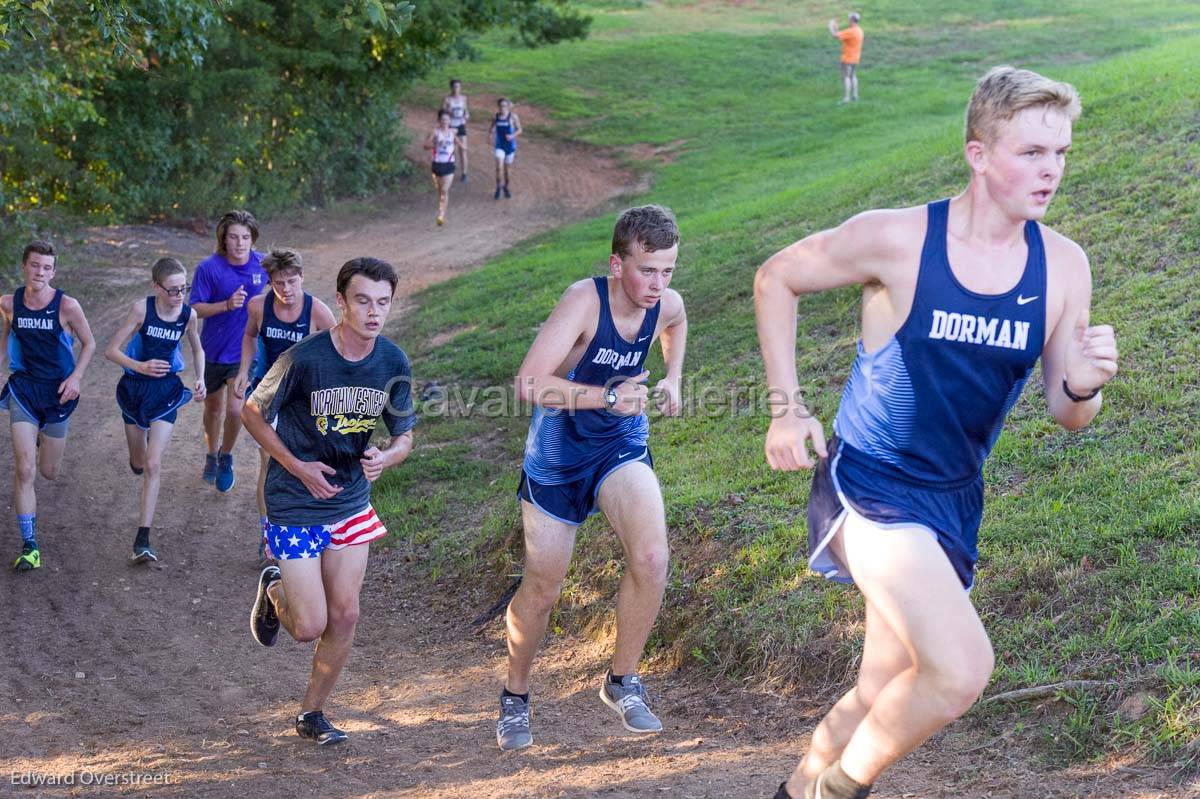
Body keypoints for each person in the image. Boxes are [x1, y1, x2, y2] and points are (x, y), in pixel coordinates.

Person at [754, 66, 1118, 799]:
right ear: (979, 155)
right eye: (1031, 152)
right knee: (959, 667)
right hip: (869, 486)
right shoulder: (898, 238)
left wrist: (1084, 382)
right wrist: (785, 406)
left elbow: (1067, 411)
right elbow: (776, 278)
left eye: (1061, 154)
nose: (1050, 171)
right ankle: (837, 791)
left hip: (952, 499)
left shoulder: (1063, 267)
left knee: (880, 686)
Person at [497, 205, 688, 751]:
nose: (658, 284)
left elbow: (676, 321)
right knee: (543, 586)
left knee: (652, 557)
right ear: (616, 264)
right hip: (557, 454)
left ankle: (623, 680)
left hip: (618, 443)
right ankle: (515, 694)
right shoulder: (585, 301)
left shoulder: (665, 302)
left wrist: (672, 379)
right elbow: (529, 383)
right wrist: (606, 395)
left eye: (668, 270)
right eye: (647, 270)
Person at [245, 257, 415, 746]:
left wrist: (387, 457)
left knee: (345, 615)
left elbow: (405, 435)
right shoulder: (304, 359)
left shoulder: (392, 362)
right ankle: (275, 590)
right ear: (340, 302)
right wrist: (296, 465)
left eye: (382, 302)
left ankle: (312, 713)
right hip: (295, 501)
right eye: (362, 300)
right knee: (309, 626)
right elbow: (252, 413)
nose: (373, 312)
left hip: (350, 502)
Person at [234, 248, 335, 568]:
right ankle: (269, 536)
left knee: (307, 461)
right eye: (279, 283)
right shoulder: (258, 307)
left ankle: (309, 528)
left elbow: (338, 350)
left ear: (302, 277)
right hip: (268, 394)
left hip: (305, 400)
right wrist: (242, 371)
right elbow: (249, 337)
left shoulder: (318, 312)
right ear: (269, 282)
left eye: (292, 281)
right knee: (271, 462)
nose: (286, 289)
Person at [0, 240, 96, 572]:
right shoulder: (8, 304)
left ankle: (42, 436)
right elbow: (4, 342)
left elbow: (89, 342)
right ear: (24, 266)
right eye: (34, 265)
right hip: (23, 389)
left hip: (58, 393)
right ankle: (30, 545)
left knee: (48, 472)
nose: (40, 272)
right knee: (24, 469)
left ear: (53, 272)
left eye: (46, 267)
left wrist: (77, 378)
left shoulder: (67, 306)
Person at [105, 257, 206, 563]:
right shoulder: (142, 309)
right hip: (135, 388)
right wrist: (140, 366)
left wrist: (200, 377)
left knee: (153, 463)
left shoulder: (188, 314)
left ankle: (142, 539)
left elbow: (197, 347)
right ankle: (135, 458)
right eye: (173, 290)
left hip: (166, 390)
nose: (179, 295)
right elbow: (111, 351)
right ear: (157, 287)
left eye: (184, 289)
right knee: (138, 460)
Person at [189, 209, 268, 492]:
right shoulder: (209, 268)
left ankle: (226, 456)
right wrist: (226, 305)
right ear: (224, 238)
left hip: (244, 353)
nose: (240, 243)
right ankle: (210, 454)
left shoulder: (263, 265)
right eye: (233, 237)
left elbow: (285, 287)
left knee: (236, 410)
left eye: (245, 237)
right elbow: (195, 309)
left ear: (253, 239)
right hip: (212, 352)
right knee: (213, 408)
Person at [426, 110, 457, 226]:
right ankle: (441, 208)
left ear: (450, 121)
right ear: (439, 121)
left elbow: (457, 144)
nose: (445, 122)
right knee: (440, 191)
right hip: (437, 164)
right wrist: (436, 145)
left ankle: (441, 215)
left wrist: (462, 147)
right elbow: (425, 145)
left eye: (447, 120)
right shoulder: (434, 132)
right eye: (443, 119)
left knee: (444, 190)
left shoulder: (453, 132)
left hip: (449, 164)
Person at [488, 98, 523, 200]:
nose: (502, 108)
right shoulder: (496, 117)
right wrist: (490, 136)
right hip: (499, 145)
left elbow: (520, 129)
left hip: (510, 146)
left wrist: (512, 136)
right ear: (498, 107)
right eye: (500, 106)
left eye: (504, 106)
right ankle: (498, 187)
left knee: (507, 170)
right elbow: (491, 128)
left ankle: (506, 187)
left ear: (508, 106)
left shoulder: (513, 117)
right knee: (499, 167)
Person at [828, 12, 863, 104]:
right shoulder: (859, 30)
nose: (848, 20)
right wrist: (836, 28)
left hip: (848, 58)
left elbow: (835, 36)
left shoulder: (850, 31)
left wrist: (830, 26)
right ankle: (855, 96)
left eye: (849, 19)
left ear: (852, 20)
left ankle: (846, 99)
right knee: (853, 76)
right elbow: (841, 34)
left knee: (846, 77)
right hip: (856, 58)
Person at [442, 78, 470, 182]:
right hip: (450, 126)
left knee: (463, 149)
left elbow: (466, 110)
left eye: (458, 86)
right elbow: (441, 113)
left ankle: (464, 173)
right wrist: (449, 113)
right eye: (454, 87)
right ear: (451, 88)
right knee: (451, 149)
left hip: (461, 125)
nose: (456, 89)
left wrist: (466, 115)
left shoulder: (464, 98)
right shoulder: (447, 99)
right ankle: (451, 168)